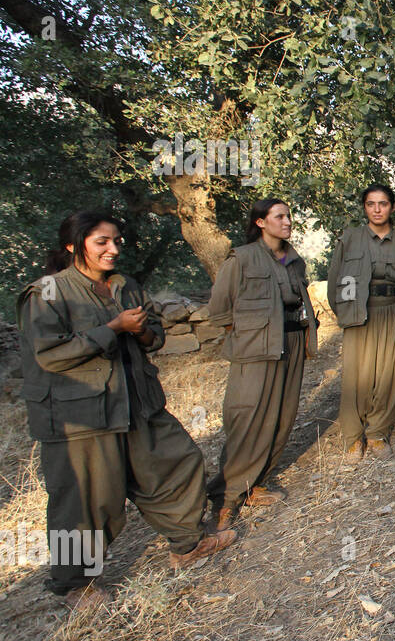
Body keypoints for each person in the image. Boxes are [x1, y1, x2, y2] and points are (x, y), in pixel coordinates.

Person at [18, 212, 235, 609]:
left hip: (138, 402)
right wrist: (112, 328)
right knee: (85, 499)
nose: (113, 249)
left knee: (177, 463)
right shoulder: (47, 292)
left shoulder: (125, 285)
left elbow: (154, 337)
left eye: (117, 240)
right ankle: (74, 585)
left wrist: (139, 331)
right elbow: (49, 354)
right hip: (81, 415)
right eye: (102, 242)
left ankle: (187, 544)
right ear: (73, 245)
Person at [206, 199, 317, 530]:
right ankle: (225, 498)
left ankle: (255, 484)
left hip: (293, 342)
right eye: (279, 216)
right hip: (256, 349)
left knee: (282, 417)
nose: (287, 221)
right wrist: (250, 336)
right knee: (249, 418)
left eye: (289, 215)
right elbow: (220, 311)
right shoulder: (241, 259)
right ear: (260, 222)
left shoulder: (294, 260)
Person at [327, 183, 395, 462]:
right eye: (371, 204)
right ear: (364, 207)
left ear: (392, 207)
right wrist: (347, 314)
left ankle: (378, 432)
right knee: (358, 375)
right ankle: (353, 437)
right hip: (360, 315)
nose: (377, 209)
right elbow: (334, 283)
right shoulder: (350, 239)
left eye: (383, 204)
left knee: (389, 375)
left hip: (392, 313)